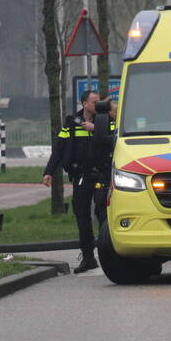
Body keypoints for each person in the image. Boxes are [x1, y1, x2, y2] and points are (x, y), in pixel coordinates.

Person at [43, 90, 114, 273]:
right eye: (93, 102)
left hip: (103, 175)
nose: (97, 105)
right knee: (82, 216)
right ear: (84, 104)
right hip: (82, 175)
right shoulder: (72, 124)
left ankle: (111, 254)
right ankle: (88, 257)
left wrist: (96, 129)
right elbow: (59, 148)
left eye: (99, 102)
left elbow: (116, 140)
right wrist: (49, 172)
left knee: (103, 213)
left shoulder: (108, 121)